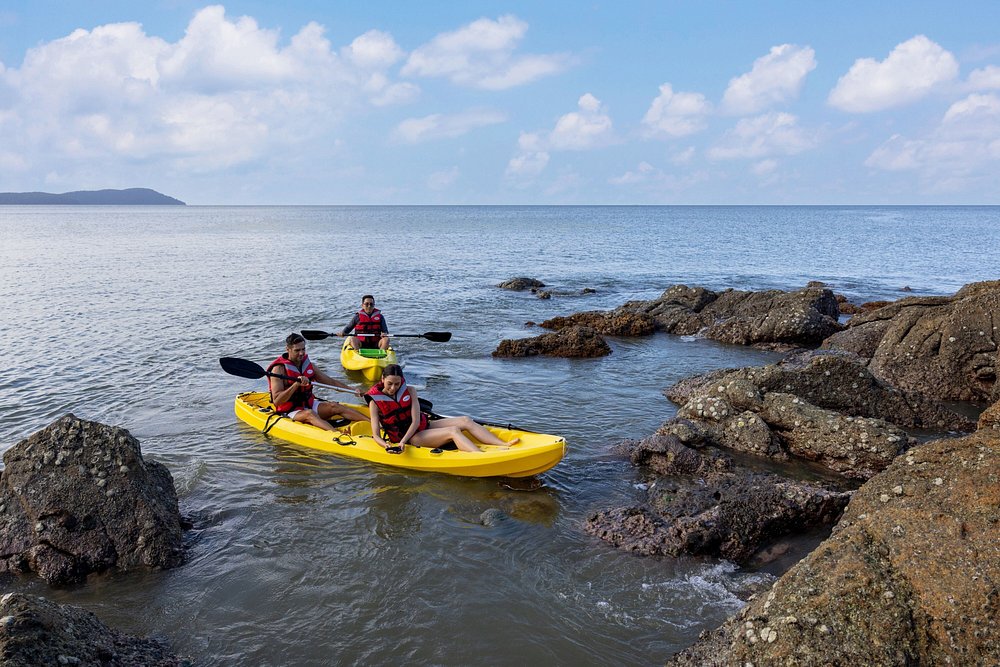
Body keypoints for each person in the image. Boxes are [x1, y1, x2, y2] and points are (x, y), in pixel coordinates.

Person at [365, 365, 519, 454]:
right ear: (383, 379)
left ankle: (502, 444)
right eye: (390, 383)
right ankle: (480, 456)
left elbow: (416, 420)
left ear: (402, 381)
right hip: (412, 438)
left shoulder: (410, 391)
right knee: (453, 431)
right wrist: (389, 445)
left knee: (465, 420)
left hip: (422, 426)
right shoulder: (375, 403)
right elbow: (376, 435)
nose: (393, 388)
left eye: (397, 384)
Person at [268, 333, 367, 431]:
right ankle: (337, 435)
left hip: (308, 404)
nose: (301, 353)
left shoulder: (308, 365)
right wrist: (296, 384)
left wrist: (352, 390)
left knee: (335, 406)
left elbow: (331, 382)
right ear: (288, 349)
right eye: (297, 350)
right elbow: (277, 401)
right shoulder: (278, 369)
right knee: (310, 414)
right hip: (290, 411)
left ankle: (372, 422)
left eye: (303, 349)